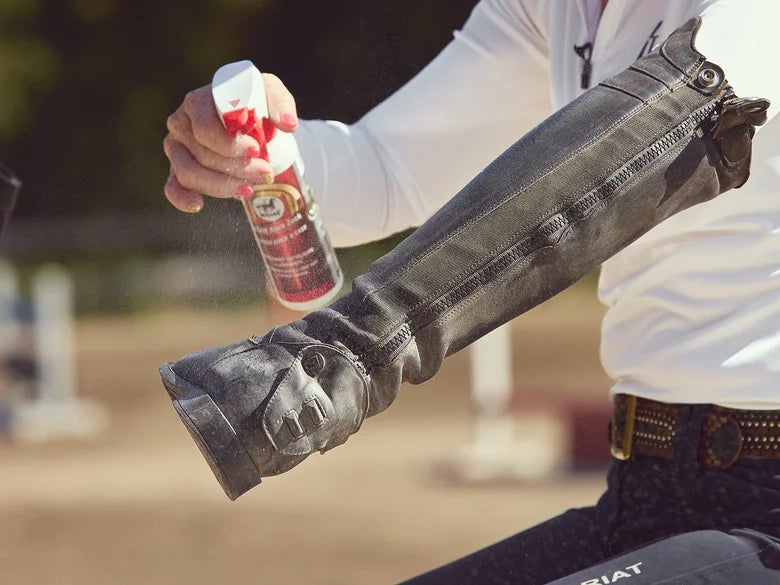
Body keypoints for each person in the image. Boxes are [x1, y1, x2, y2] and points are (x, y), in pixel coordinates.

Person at [161, 1, 780, 583]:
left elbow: (682, 117)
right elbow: (389, 170)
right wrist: (259, 147)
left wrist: (346, 353)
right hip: (646, 489)